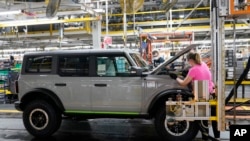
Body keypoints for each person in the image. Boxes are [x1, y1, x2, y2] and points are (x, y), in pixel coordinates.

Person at [169, 52, 220, 140]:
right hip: (211, 91)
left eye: (189, 61)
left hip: (202, 92)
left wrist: (176, 77)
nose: (189, 63)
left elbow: (183, 83)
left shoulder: (193, 69)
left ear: (191, 60)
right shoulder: (203, 64)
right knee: (213, 116)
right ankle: (217, 136)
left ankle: (205, 137)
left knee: (202, 118)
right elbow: (201, 76)